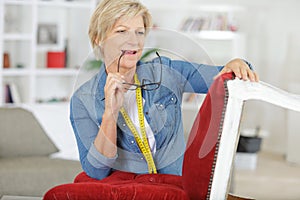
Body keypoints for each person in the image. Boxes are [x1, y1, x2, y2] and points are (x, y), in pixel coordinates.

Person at [70, 0, 259, 181]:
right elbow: (96, 171)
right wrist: (109, 115)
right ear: (99, 39)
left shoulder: (167, 72)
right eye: (122, 31)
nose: (134, 41)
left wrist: (238, 64)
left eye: (140, 32)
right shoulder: (83, 99)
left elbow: (224, 77)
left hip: (174, 188)